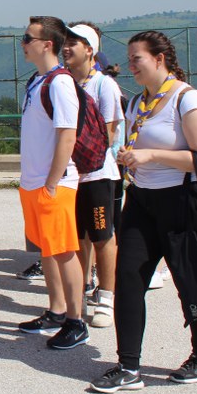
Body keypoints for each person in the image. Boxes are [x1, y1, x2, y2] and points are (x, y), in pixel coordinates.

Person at [91, 31, 197, 393]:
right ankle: (128, 366)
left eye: (137, 59)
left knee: (190, 281)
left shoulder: (187, 98)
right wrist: (129, 157)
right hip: (142, 199)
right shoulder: (138, 102)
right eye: (130, 58)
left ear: (159, 59)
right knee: (128, 279)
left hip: (184, 199)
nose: (130, 65)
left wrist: (152, 155)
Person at [16, 16, 89, 350]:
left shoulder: (59, 83)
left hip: (53, 183)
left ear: (47, 44)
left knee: (63, 250)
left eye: (28, 38)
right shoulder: (38, 80)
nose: (23, 43)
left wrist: (51, 182)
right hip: (34, 182)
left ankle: (77, 320)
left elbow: (67, 135)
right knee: (48, 249)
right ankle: (57, 310)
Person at [64, 23, 123, 329]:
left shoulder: (104, 85)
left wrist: (85, 154)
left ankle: (107, 298)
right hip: (70, 177)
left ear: (89, 50)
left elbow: (111, 131)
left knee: (102, 236)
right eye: (65, 42)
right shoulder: (62, 82)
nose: (66, 48)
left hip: (98, 174)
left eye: (73, 43)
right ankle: (81, 291)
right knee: (76, 239)